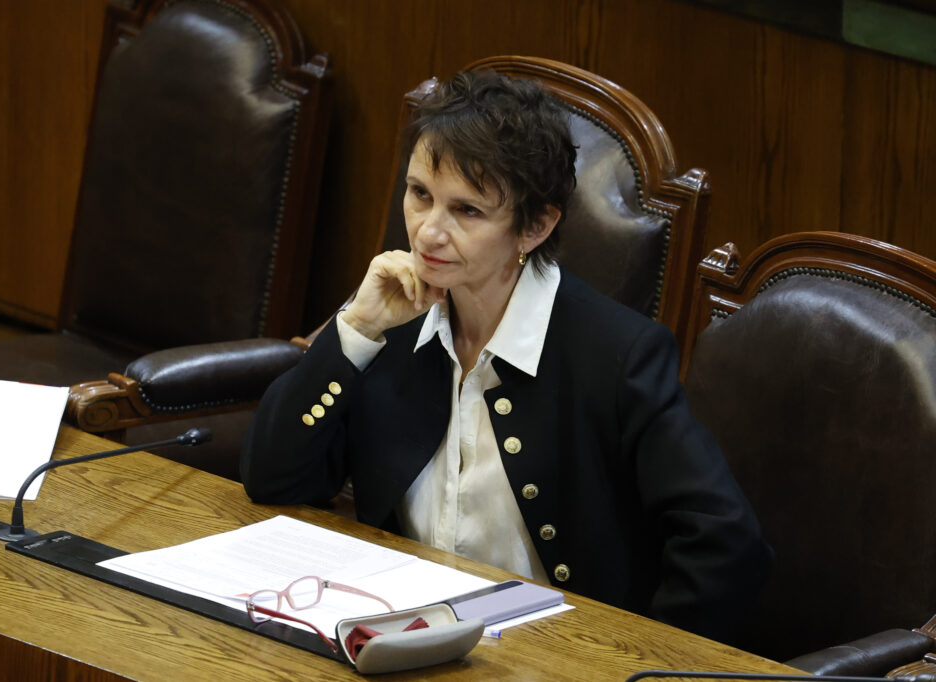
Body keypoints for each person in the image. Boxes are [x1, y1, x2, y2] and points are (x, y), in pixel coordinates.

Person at [241, 69, 771, 643]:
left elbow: (727, 545)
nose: (428, 233)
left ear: (535, 226)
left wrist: (631, 662)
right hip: (402, 635)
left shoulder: (618, 355)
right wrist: (356, 330)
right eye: (420, 194)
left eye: (467, 211)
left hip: (552, 657)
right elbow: (272, 478)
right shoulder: (393, 315)